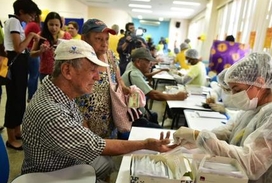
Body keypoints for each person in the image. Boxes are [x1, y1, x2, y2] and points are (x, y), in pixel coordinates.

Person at [21, 39, 175, 183]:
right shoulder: (51, 114)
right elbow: (98, 145)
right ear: (67, 71)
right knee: (115, 166)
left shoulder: (54, 87)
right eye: (92, 70)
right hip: (51, 175)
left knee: (108, 164)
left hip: (66, 161)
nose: (97, 77)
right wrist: (146, 143)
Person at [173, 52, 272, 183]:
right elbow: (227, 132)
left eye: (236, 90)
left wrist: (199, 136)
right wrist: (194, 140)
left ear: (260, 82)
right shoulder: (251, 111)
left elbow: (252, 163)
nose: (233, 95)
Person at [76, 19, 130, 138]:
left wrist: (125, 89)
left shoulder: (110, 56)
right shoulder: (77, 61)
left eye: (106, 39)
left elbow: (118, 78)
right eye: (98, 39)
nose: (104, 43)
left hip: (109, 125)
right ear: (84, 39)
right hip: (85, 129)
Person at [3, 0, 42, 150]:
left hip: (20, 64)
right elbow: (19, 48)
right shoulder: (13, 21)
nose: (32, 18)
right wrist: (31, 35)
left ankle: (17, 131)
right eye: (30, 15)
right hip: (15, 63)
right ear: (21, 11)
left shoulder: (17, 23)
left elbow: (24, 50)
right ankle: (11, 138)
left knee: (19, 99)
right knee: (13, 100)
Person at [121, 47, 188, 105]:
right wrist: (176, 97)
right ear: (138, 62)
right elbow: (154, 95)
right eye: (148, 62)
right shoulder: (134, 74)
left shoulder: (133, 68)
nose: (151, 65)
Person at [30, 12, 71, 82]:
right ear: (46, 24)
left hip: (62, 72)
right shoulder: (41, 35)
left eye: (56, 25)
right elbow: (31, 54)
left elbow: (72, 52)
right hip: (45, 72)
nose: (54, 28)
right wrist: (40, 51)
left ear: (60, 25)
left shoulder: (66, 36)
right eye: (51, 25)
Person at [25, 13, 41, 103]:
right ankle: (32, 97)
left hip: (28, 50)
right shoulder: (35, 25)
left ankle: (30, 96)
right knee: (34, 76)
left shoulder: (29, 24)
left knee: (32, 76)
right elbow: (39, 38)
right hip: (33, 50)